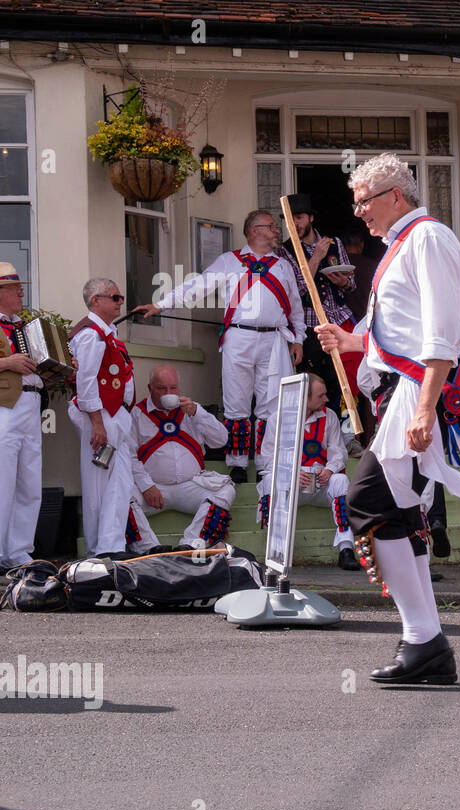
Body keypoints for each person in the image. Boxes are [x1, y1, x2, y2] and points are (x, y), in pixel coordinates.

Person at [315, 153, 460, 685]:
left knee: (369, 504)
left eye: (364, 202)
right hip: (401, 394)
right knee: (402, 513)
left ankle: (424, 640)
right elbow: (391, 328)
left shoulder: (428, 239)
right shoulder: (402, 246)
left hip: (416, 395)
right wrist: (348, 339)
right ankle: (424, 642)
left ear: (395, 196)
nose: (359, 213)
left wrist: (426, 407)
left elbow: (441, 331)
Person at [136, 210, 303, 483]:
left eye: (275, 226)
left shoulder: (284, 266)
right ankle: (237, 461)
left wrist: (298, 339)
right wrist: (161, 304)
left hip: (275, 339)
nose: (277, 231)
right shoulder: (230, 261)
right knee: (236, 402)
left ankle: (266, 464)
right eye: (271, 227)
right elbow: (197, 286)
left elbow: (295, 307)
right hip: (239, 337)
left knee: (271, 405)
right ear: (254, 231)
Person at [123, 364, 235, 552]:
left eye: (173, 388)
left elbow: (221, 439)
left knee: (226, 491)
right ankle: (150, 550)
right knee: (121, 495)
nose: (168, 393)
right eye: (161, 388)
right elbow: (129, 456)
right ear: (150, 388)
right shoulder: (137, 414)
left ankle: (191, 544)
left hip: (190, 485)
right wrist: (146, 485)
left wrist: (198, 413)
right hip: (153, 489)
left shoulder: (191, 410)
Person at [256, 373, 359, 570]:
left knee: (341, 481)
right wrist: (290, 474)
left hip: (320, 482)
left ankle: (346, 549)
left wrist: (329, 470)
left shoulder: (329, 416)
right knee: (270, 482)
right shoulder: (278, 418)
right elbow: (268, 459)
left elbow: (338, 451)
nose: (326, 399)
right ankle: (279, 550)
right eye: (321, 396)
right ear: (304, 397)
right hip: (291, 486)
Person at [68, 278, 140, 556]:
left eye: (120, 297)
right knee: (98, 485)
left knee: (119, 483)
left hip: (114, 415)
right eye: (115, 297)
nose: (120, 302)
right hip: (100, 415)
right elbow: (86, 381)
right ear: (95, 300)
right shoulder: (90, 334)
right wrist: (97, 423)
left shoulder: (107, 332)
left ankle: (111, 545)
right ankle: (98, 548)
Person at [277, 193, 357, 414]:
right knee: (313, 383)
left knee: (343, 380)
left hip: (339, 321)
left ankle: (346, 432)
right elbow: (297, 289)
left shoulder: (335, 243)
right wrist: (316, 258)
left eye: (299, 217)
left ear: (311, 218)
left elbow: (352, 284)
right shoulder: (285, 251)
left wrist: (344, 281)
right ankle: (314, 432)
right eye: (290, 219)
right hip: (309, 325)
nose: (295, 224)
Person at [0, 263, 43, 571]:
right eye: (16, 288)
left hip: (30, 403)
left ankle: (18, 551)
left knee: (29, 482)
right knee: (2, 482)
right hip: (4, 406)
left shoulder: (25, 326)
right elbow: (14, 363)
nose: (21, 292)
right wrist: (8, 363)